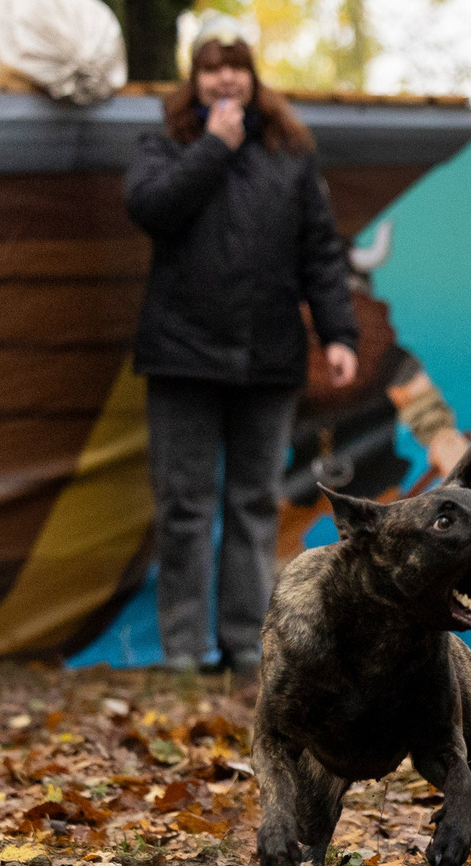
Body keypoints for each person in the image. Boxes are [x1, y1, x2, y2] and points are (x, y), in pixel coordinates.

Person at [125, 36, 359, 675]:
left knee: (254, 502)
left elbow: (320, 251)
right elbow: (151, 209)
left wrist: (340, 334)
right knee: (184, 507)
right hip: (182, 357)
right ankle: (180, 648)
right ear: (194, 81)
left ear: (253, 79)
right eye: (210, 69)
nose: (224, 78)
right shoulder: (165, 144)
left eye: (235, 67)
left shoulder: (290, 152)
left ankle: (245, 646)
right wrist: (214, 148)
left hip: (268, 357)